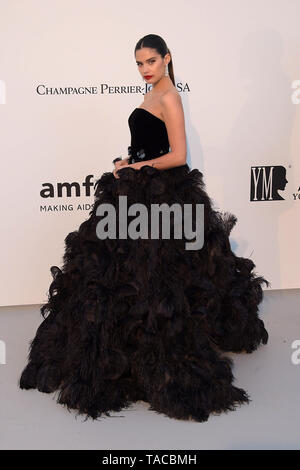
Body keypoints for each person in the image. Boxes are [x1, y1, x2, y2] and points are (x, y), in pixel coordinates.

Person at [19, 34, 270, 423]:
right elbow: (149, 145)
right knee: (116, 269)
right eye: (138, 63)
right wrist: (129, 159)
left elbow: (179, 155)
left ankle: (157, 346)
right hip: (140, 184)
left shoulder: (169, 95)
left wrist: (136, 168)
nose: (144, 69)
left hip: (165, 193)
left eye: (151, 61)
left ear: (167, 58)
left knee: (158, 274)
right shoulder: (153, 91)